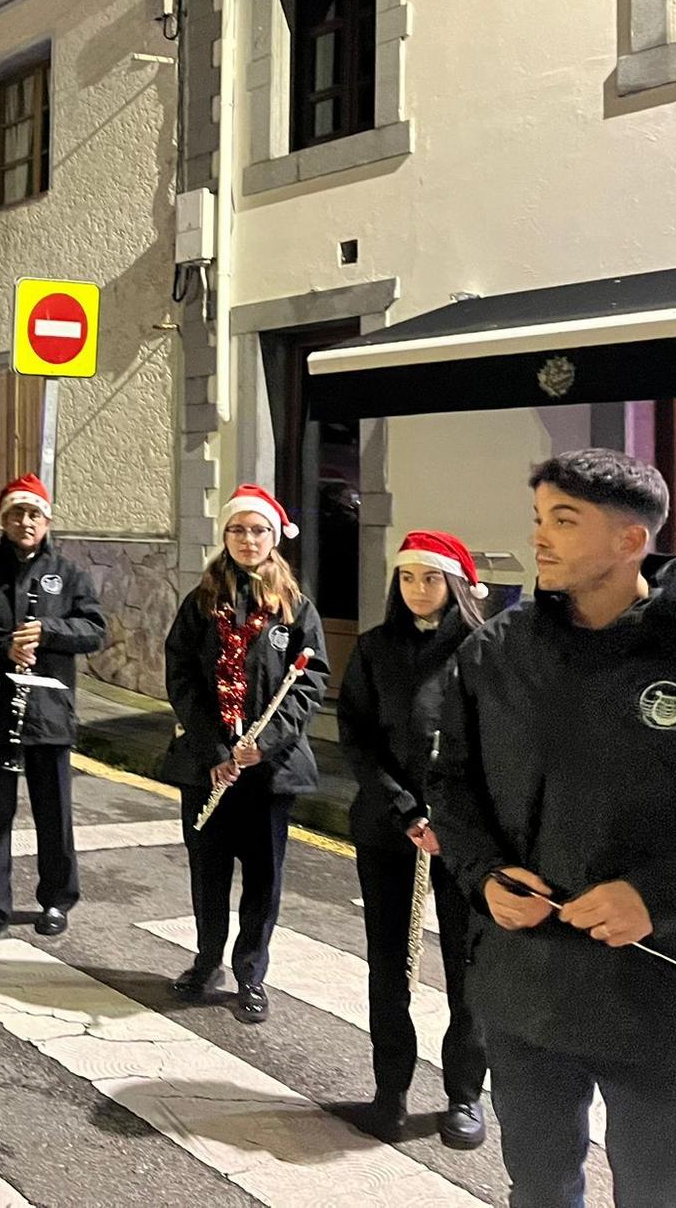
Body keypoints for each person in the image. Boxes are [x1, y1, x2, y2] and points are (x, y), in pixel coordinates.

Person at [433, 450, 676, 1208]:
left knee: (659, 1188)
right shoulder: (495, 653)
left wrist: (654, 896)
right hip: (524, 987)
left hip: (660, 989)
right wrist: (483, 874)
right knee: (539, 1184)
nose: (540, 539)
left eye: (564, 520)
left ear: (630, 539)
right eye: (539, 519)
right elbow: (453, 783)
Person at [334, 530, 490, 1150]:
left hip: (464, 842)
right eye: (407, 578)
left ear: (454, 584)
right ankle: (389, 1090)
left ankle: (464, 1096)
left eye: (431, 578)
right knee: (390, 966)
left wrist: (449, 821)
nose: (419, 589)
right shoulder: (375, 649)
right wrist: (404, 812)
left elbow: (495, 749)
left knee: (466, 968)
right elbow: (357, 738)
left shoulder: (485, 650)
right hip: (388, 831)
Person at [160, 483, 329, 1023]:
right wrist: (214, 746)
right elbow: (181, 674)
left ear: (273, 538)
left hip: (267, 771)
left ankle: (251, 973)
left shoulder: (295, 606)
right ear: (226, 535)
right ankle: (206, 960)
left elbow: (310, 682)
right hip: (209, 766)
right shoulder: (201, 602)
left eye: (258, 530)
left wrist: (267, 742)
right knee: (207, 872)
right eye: (238, 529)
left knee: (263, 878)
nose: (248, 538)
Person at [0, 475, 106, 944]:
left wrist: (47, 632)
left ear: (47, 520)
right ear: (3, 518)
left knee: (54, 813)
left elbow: (94, 630)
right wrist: (6, 647)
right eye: (17, 513)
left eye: (34, 514)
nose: (26, 522)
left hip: (48, 710)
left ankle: (57, 900)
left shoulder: (69, 573)